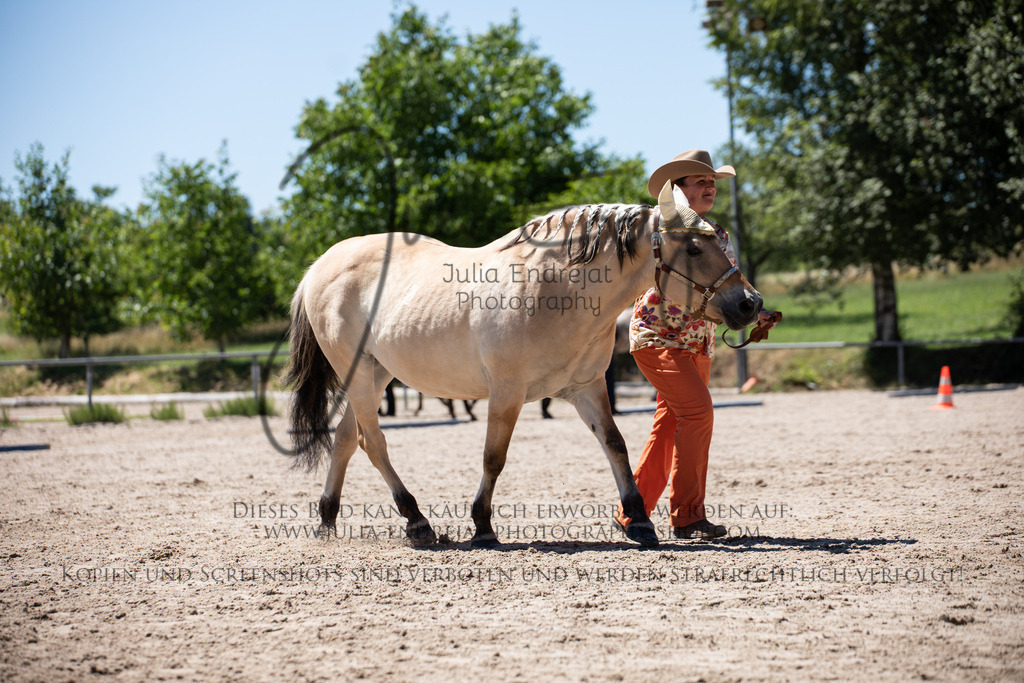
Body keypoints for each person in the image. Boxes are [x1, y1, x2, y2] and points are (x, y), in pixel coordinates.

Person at [615, 149, 777, 540]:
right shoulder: (661, 231)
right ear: (678, 189)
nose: (709, 188)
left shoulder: (718, 236)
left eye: (712, 183)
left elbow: (728, 288)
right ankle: (687, 516)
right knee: (699, 414)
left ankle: (630, 512)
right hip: (658, 337)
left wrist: (756, 311)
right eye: (700, 181)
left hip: (698, 343)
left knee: (669, 426)